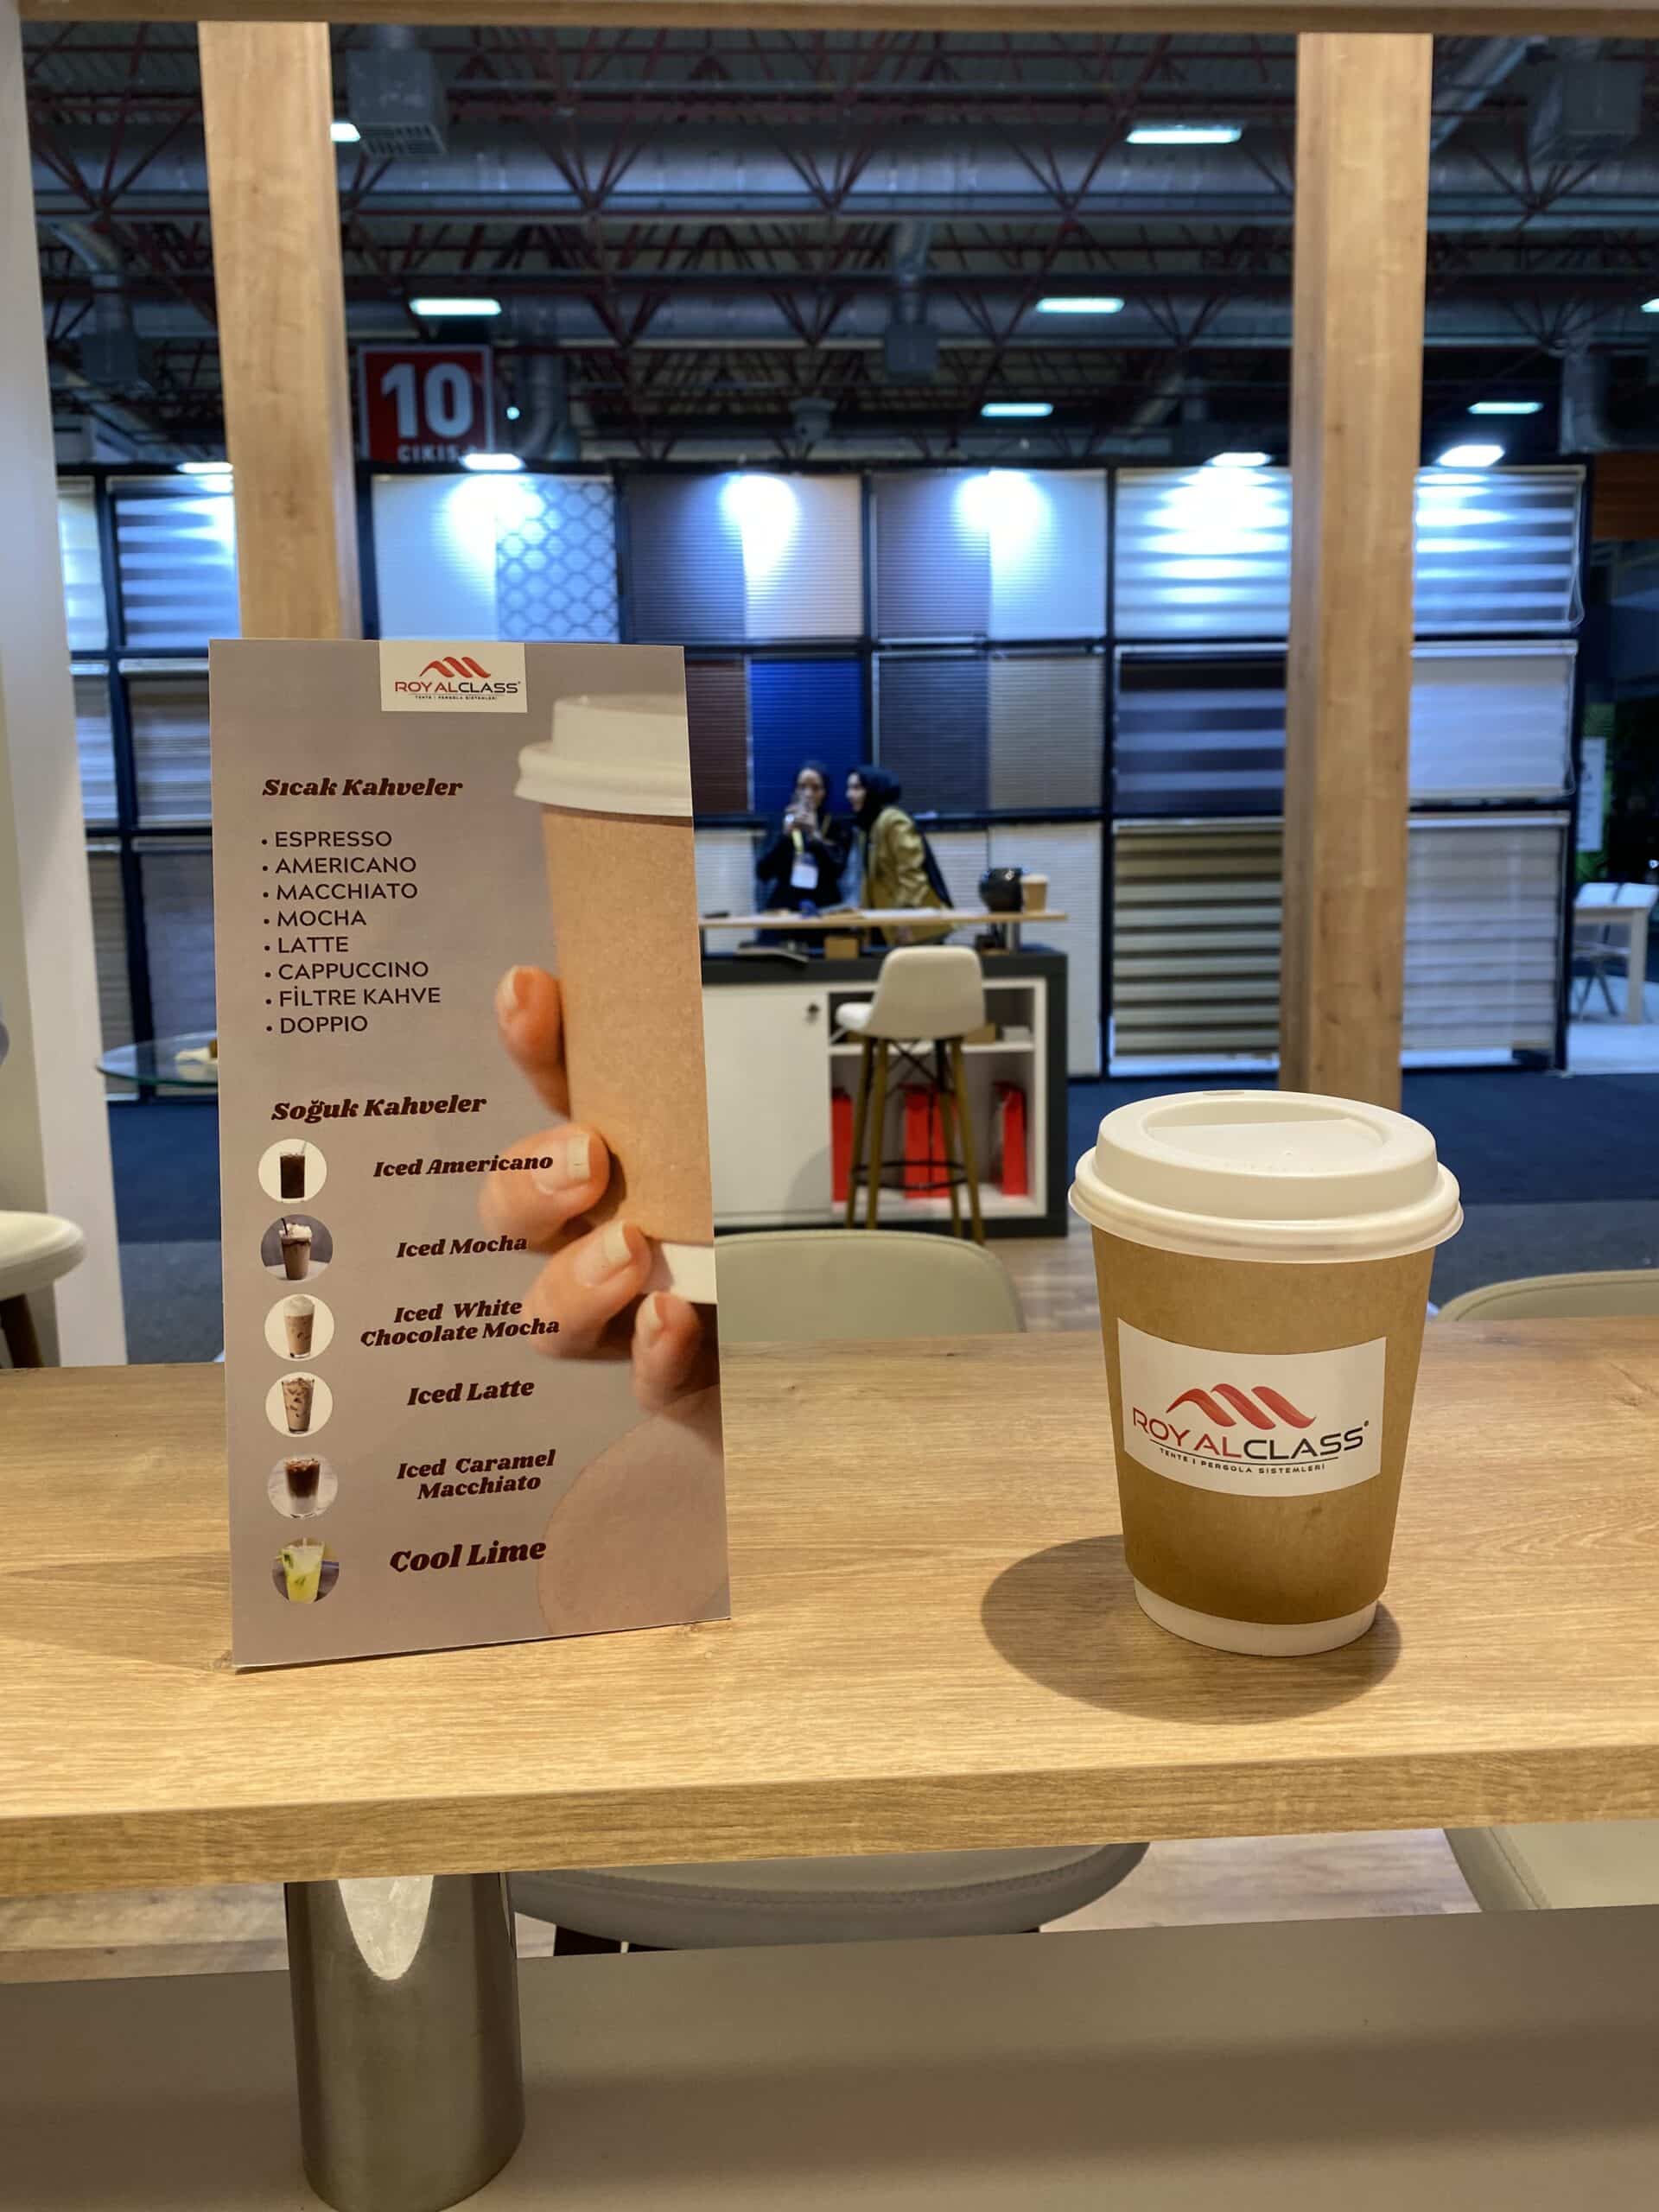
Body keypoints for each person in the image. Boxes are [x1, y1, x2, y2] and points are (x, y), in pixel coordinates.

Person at [846, 765, 952, 944]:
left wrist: (905, 917)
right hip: (888, 921)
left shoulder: (894, 820)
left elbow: (912, 875)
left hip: (914, 924)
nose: (849, 795)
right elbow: (871, 880)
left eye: (856, 788)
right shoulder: (869, 827)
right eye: (849, 788)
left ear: (874, 789)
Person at [754, 760, 853, 914]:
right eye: (802, 787)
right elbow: (763, 873)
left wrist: (815, 835)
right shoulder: (779, 822)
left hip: (825, 907)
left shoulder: (837, 825)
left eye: (815, 788)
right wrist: (785, 838)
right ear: (795, 790)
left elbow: (838, 871)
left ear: (825, 792)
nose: (808, 794)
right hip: (785, 907)